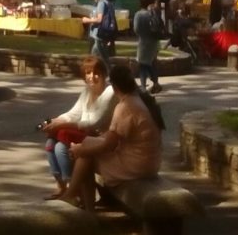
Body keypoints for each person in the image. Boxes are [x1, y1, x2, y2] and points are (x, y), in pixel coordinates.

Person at [59, 63, 163, 211]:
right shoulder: (138, 99)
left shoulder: (125, 107)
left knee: (86, 157)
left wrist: (81, 151)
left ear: (114, 87)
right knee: (87, 144)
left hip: (137, 165)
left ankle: (80, 203)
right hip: (149, 161)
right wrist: (85, 144)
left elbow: (109, 145)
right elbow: (112, 135)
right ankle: (76, 197)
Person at [40, 56, 116, 200]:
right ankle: (62, 186)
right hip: (88, 136)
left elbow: (94, 122)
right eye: (88, 73)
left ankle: (74, 190)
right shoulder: (87, 91)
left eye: (96, 73)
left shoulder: (109, 92)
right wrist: (55, 121)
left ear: (104, 74)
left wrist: (62, 124)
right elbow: (74, 113)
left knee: (61, 148)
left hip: (102, 140)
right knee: (50, 144)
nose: (91, 77)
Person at [134, 0, 163, 93]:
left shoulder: (139, 14)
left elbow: (136, 29)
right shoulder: (152, 13)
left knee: (143, 64)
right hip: (154, 41)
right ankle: (155, 83)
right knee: (149, 63)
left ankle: (143, 86)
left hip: (144, 41)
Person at [81, 0, 112, 64]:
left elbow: (99, 19)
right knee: (99, 57)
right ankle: (104, 72)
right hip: (101, 34)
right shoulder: (107, 2)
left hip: (99, 34)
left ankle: (107, 73)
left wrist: (87, 20)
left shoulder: (101, 3)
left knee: (99, 58)